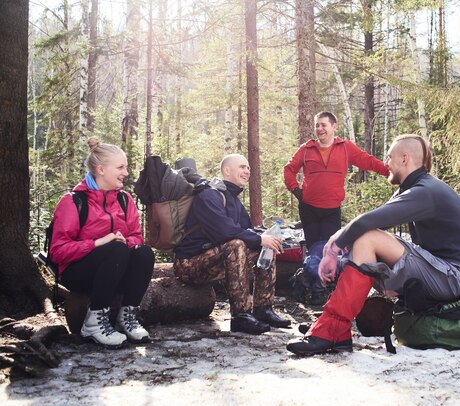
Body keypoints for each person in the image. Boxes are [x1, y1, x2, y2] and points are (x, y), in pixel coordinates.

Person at [286, 134, 460, 355]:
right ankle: (334, 326)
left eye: (389, 156)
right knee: (363, 238)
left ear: (405, 158)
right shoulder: (413, 188)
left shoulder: (426, 191)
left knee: (368, 238)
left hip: (451, 276)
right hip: (437, 270)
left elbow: (369, 223)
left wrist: (334, 247)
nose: (385, 163)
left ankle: (333, 327)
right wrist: (336, 247)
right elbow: (370, 221)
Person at [50, 137, 155, 348]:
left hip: (115, 267)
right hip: (77, 273)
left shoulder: (125, 199)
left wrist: (125, 241)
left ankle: (127, 317)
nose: (126, 173)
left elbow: (136, 237)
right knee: (115, 249)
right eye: (120, 167)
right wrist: (98, 243)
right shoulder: (73, 201)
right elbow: (57, 252)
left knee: (144, 253)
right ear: (100, 169)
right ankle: (94, 323)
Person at [174, 153, 291, 335]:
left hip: (215, 262)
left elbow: (247, 231)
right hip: (189, 265)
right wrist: (259, 239)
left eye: (248, 168)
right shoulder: (209, 194)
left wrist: (267, 238)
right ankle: (241, 316)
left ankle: (263, 309)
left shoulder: (233, 199)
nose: (247, 171)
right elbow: (224, 231)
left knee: (267, 247)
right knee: (236, 244)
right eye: (242, 167)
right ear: (227, 170)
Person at [283, 111, 390, 249]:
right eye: (317, 126)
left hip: (332, 210)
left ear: (334, 126)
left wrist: (390, 172)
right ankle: (311, 269)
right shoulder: (306, 149)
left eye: (323, 125)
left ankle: (328, 271)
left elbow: (368, 161)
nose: (319, 129)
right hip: (308, 209)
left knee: (331, 248)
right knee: (313, 248)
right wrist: (295, 189)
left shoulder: (345, 147)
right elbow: (288, 169)